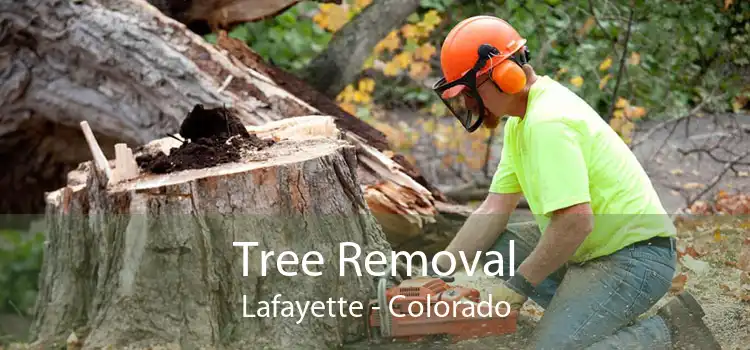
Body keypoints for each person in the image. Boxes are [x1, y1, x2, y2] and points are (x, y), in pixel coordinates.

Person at [428, 15, 722, 349]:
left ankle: (670, 330)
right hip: (595, 250)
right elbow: (494, 207)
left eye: (470, 91)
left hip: (635, 258)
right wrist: (437, 272)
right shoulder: (520, 122)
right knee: (499, 246)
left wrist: (518, 287)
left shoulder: (547, 122)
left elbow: (574, 222)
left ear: (503, 76)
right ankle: (582, 320)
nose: (467, 103)